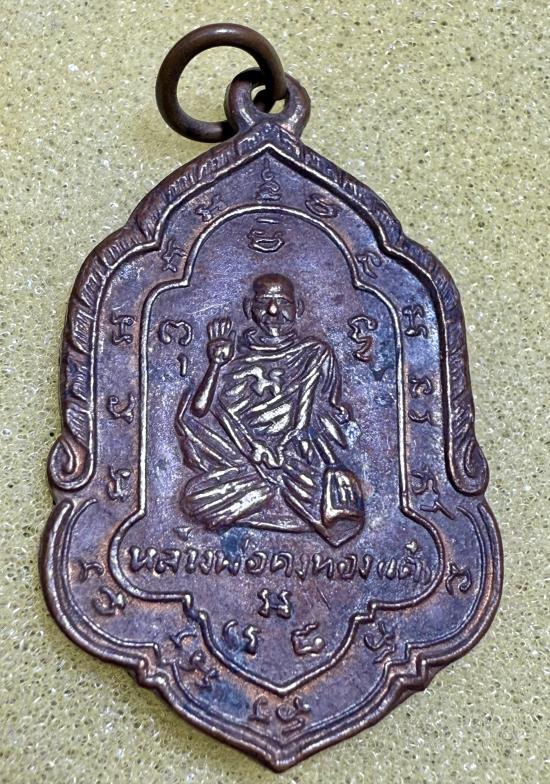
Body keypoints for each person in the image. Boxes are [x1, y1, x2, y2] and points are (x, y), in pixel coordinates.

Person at [175, 273, 364, 546]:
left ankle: (268, 502)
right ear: (248, 308)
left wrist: (287, 446)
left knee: (313, 492)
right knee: (192, 499)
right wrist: (215, 364)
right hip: (244, 461)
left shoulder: (314, 353)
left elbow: (326, 412)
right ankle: (270, 501)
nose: (273, 311)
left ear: (298, 307)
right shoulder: (236, 359)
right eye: (263, 302)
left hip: (297, 461)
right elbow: (199, 412)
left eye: (283, 302)